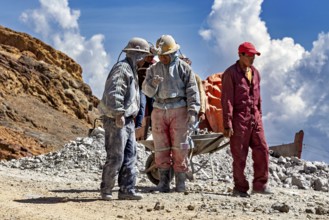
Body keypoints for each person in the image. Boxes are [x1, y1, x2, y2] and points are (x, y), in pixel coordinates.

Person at [142, 35, 200, 193]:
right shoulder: (153, 70)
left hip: (179, 110)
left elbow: (192, 90)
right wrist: (153, 84)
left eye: (165, 55)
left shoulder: (184, 68)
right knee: (161, 147)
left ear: (173, 53)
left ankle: (180, 183)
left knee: (181, 147)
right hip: (159, 110)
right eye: (160, 55)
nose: (162, 58)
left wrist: (193, 110)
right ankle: (164, 183)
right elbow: (146, 90)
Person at [98, 37, 151, 200]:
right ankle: (106, 190)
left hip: (128, 119)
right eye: (144, 57)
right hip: (116, 118)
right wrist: (118, 113)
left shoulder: (131, 69)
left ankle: (127, 189)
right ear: (138, 56)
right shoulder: (122, 69)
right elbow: (115, 92)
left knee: (130, 155)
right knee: (116, 156)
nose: (145, 61)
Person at [221, 42, 272, 197]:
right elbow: (227, 100)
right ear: (240, 55)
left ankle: (260, 185)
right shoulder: (230, 73)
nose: (252, 58)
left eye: (253, 55)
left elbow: (258, 97)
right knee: (239, 155)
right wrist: (227, 123)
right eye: (248, 55)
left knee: (262, 150)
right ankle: (240, 187)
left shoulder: (256, 73)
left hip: (255, 118)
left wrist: (260, 116)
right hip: (239, 119)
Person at [179, 55, 206, 122]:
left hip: (192, 111)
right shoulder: (174, 78)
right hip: (177, 111)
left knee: (191, 130)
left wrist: (202, 111)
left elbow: (201, 94)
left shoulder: (196, 77)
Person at [135, 51, 155, 128]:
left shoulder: (153, 65)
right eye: (149, 56)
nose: (151, 58)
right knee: (141, 106)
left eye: (152, 57)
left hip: (150, 89)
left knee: (152, 107)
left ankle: (152, 126)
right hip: (141, 89)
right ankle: (138, 126)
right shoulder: (140, 64)